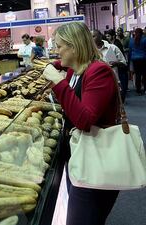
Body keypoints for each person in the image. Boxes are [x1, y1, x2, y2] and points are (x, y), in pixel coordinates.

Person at [43, 22, 119, 225]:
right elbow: (65, 70)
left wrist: (58, 84)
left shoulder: (98, 71)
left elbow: (84, 120)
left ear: (74, 46)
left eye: (59, 47)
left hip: (97, 163)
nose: (55, 51)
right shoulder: (74, 71)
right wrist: (56, 66)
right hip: (80, 157)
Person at [92, 29, 127, 102]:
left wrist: (116, 63)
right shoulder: (90, 51)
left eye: (93, 36)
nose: (91, 39)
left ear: (100, 36)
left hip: (113, 81)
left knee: (116, 105)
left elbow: (124, 63)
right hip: (97, 84)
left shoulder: (112, 48)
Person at [128, 28, 146, 95]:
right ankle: (145, 89)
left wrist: (129, 60)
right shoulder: (144, 40)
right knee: (144, 74)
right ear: (142, 33)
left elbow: (130, 51)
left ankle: (138, 90)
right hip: (144, 59)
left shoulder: (131, 40)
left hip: (135, 59)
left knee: (137, 75)